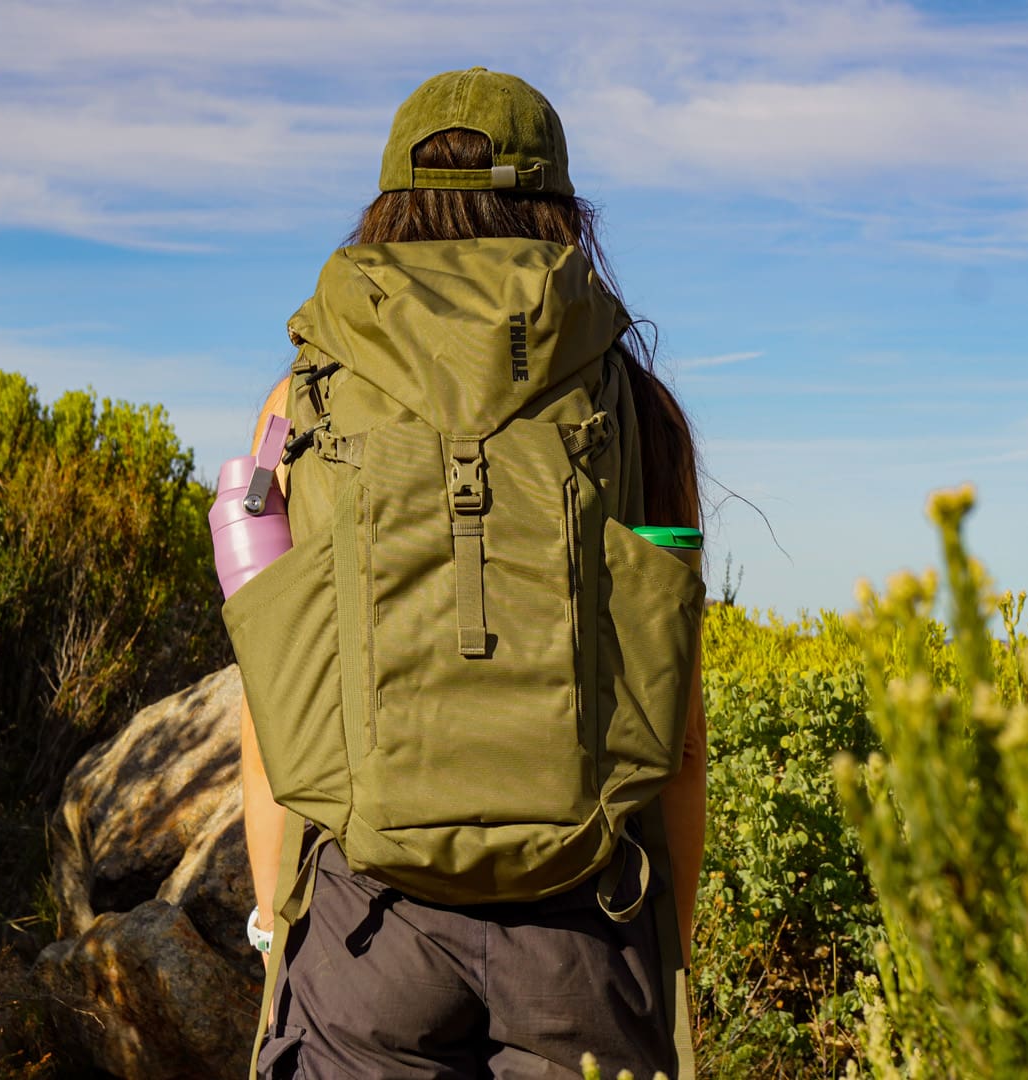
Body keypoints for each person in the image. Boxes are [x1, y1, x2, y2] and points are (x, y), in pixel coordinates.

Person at [236, 68, 708, 1079]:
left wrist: (278, 929)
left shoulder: (301, 399)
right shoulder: (636, 406)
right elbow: (680, 734)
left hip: (366, 923)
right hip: (589, 921)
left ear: (387, 207)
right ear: (560, 208)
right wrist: (672, 953)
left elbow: (274, 711)